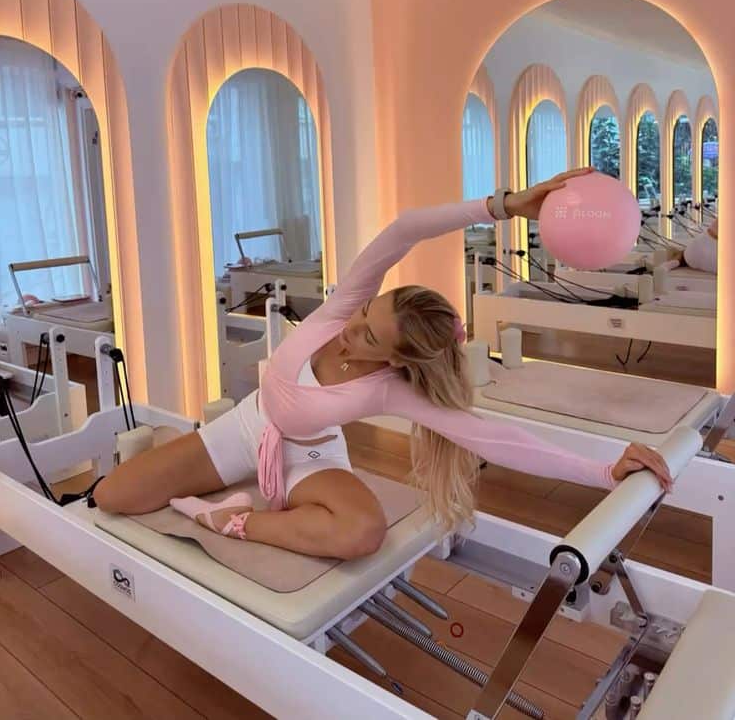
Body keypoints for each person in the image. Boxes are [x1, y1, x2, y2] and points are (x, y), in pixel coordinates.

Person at [95, 169, 671, 560]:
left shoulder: (391, 389)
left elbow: (497, 439)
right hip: (247, 428)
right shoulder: (342, 308)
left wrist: (604, 471)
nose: (352, 327)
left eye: (369, 334)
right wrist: (506, 205)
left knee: (362, 531)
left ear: (395, 359)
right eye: (366, 311)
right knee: (111, 497)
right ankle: (181, 454)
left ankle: (227, 519)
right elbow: (403, 231)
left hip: (311, 452)